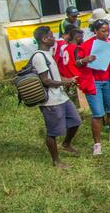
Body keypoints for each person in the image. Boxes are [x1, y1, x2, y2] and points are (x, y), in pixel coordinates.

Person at [31, 26, 81, 168]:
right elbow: (46, 80)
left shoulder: (48, 54)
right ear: (44, 39)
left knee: (76, 120)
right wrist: (65, 82)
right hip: (50, 100)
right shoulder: (39, 57)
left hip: (61, 96)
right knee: (53, 132)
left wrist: (68, 80)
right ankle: (56, 161)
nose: (54, 38)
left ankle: (66, 144)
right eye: (51, 36)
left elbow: (55, 76)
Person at [77, 19, 110, 155]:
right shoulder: (86, 45)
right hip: (94, 83)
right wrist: (84, 60)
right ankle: (97, 144)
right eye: (103, 31)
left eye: (108, 31)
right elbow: (77, 62)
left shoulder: (109, 44)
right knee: (98, 114)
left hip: (109, 81)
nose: (106, 34)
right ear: (95, 31)